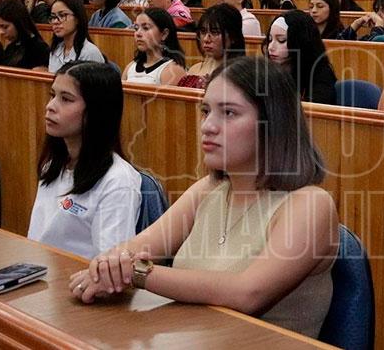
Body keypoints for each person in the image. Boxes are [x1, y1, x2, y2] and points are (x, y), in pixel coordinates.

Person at [68, 56, 338, 339]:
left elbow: (248, 293)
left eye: (229, 113)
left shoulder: (311, 204)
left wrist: (138, 273)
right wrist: (111, 263)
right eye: (206, 111)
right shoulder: (207, 190)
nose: (208, 126)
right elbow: (135, 248)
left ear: (273, 123)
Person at [28, 61, 141, 259]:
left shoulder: (118, 180)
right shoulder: (53, 164)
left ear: (96, 111)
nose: (50, 107)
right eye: (53, 96)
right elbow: (38, 239)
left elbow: (108, 268)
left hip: (81, 284)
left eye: (66, 99)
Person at [264, 10, 338, 104]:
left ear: (300, 42)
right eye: (270, 40)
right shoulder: (268, 72)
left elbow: (315, 113)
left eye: (281, 40)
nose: (271, 47)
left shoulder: (321, 75)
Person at [180, 4, 246, 88]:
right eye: (203, 32)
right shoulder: (194, 69)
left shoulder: (240, 75)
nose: (206, 39)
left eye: (215, 32)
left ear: (233, 37)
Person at [123, 9, 186, 86]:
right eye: (136, 28)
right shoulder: (130, 67)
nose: (138, 34)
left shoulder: (173, 70)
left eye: (145, 28)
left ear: (164, 34)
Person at [49, 0, 106, 72]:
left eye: (62, 15)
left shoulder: (89, 52)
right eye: (53, 17)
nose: (55, 21)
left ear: (77, 19)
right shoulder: (56, 49)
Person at [0, 0, 50, 71]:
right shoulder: (11, 46)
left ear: (18, 23)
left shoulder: (40, 49)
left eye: (5, 27)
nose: (1, 32)